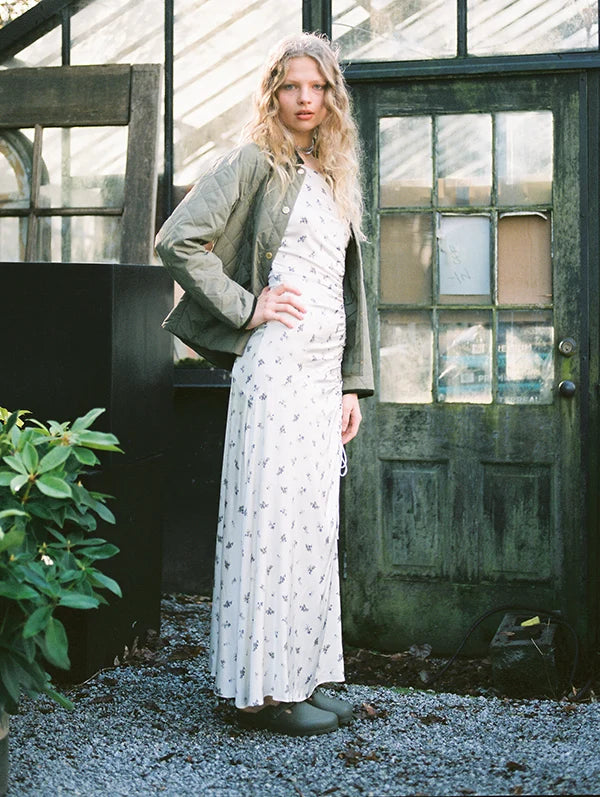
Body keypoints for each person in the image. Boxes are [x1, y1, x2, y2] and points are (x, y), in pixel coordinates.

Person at [155, 32, 373, 737]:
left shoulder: (335, 171)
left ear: (331, 96)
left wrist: (351, 385)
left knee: (312, 526)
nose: (305, 99)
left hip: (319, 377)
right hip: (275, 370)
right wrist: (249, 306)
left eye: (317, 87)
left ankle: (305, 673)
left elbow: (349, 292)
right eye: (291, 86)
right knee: (273, 528)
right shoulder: (255, 161)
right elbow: (177, 240)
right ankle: (264, 690)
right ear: (273, 94)